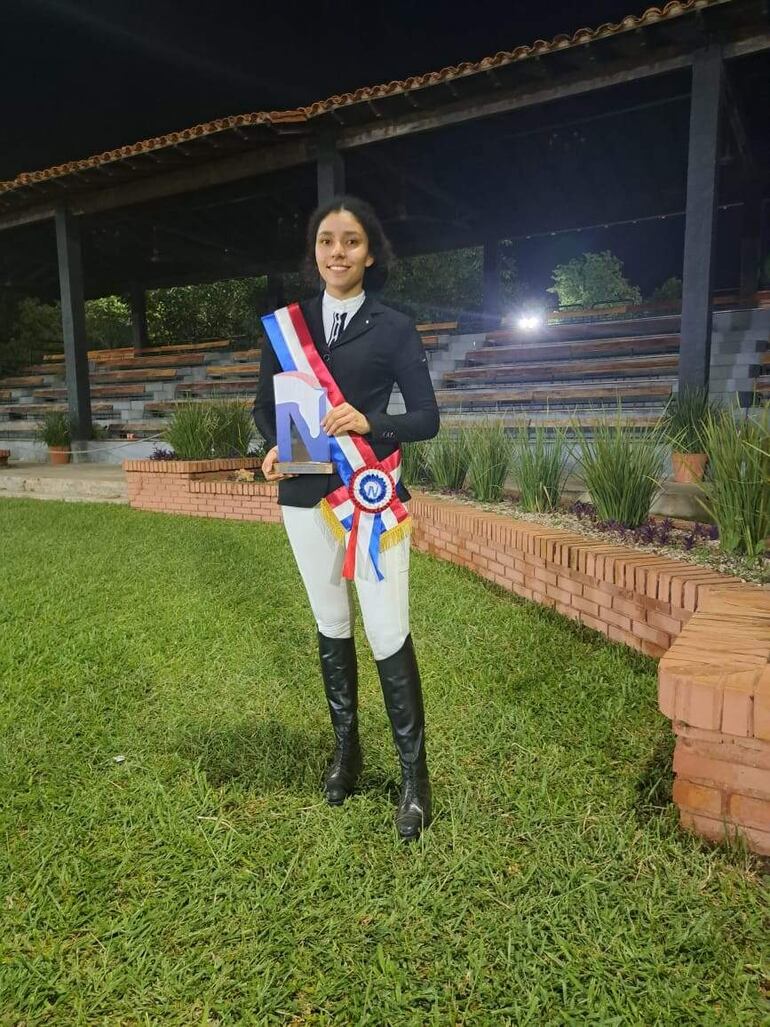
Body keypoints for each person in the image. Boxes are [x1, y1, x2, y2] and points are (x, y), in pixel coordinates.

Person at [252, 195, 440, 841]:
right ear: (315, 251)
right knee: (331, 625)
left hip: (373, 498)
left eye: (351, 241)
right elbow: (263, 408)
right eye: (328, 240)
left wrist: (370, 420)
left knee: (388, 630)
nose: (338, 251)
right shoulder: (286, 326)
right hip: (304, 494)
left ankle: (415, 780)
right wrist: (272, 446)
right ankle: (348, 752)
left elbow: (427, 418)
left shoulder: (395, 327)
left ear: (371, 251)